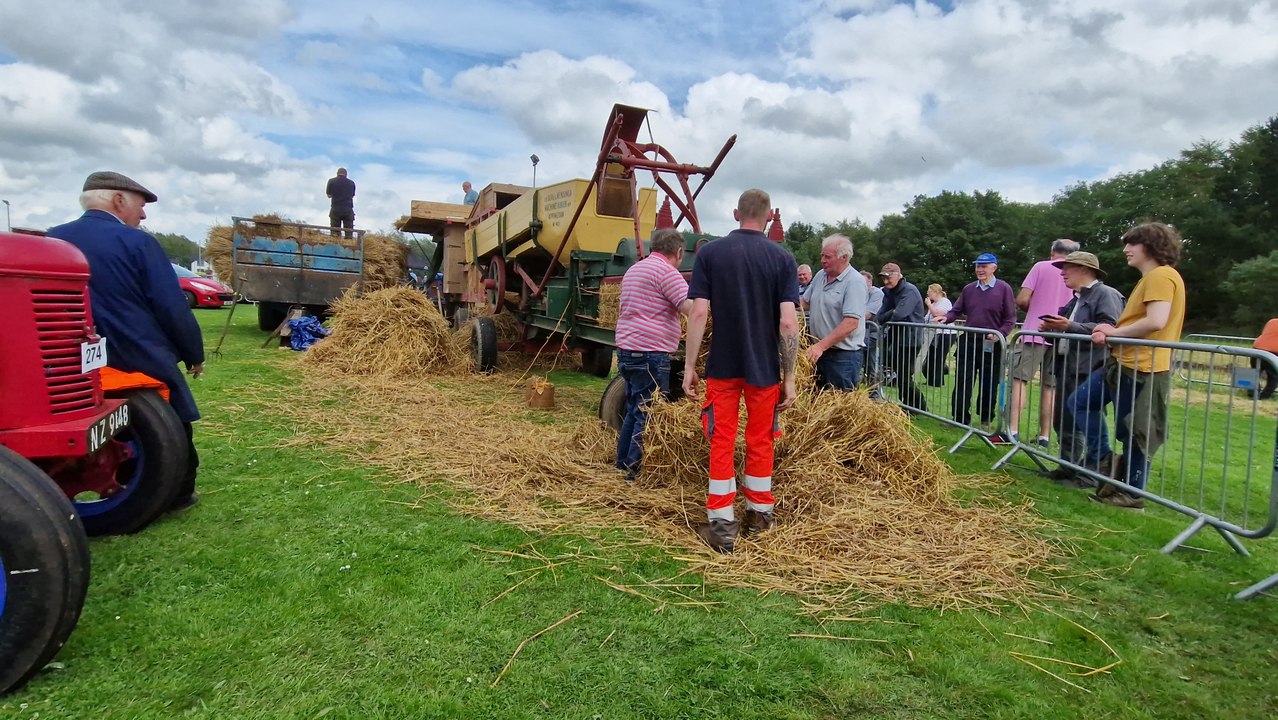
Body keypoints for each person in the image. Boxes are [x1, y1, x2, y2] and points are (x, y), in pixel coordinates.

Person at [47, 171, 204, 511]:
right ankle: (178, 493)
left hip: (67, 361)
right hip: (135, 352)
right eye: (141, 205)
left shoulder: (53, 241)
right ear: (118, 200)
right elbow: (170, 305)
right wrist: (193, 354)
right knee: (172, 416)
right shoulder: (137, 242)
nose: (144, 215)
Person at [683, 189, 800, 553]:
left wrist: (689, 365)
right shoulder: (782, 257)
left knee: (722, 439)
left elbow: (698, 312)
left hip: (723, 367)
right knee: (761, 439)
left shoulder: (710, 253)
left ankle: (721, 527)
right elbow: (788, 324)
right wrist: (790, 375)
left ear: (736, 214)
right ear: (767, 217)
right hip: (764, 370)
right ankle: (760, 516)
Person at [1067, 223, 1186, 510]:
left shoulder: (1160, 276)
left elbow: (1156, 321)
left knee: (1135, 432)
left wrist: (1111, 332)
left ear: (1151, 246)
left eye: (1132, 244)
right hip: (1123, 362)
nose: (1125, 250)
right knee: (1080, 402)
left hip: (1143, 367)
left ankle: (1132, 494)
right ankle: (1106, 461)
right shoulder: (1155, 277)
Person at [1038, 252, 1124, 487]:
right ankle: (1068, 469)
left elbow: (1110, 328)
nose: (1062, 272)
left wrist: (1069, 325)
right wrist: (1051, 328)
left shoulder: (1107, 294)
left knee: (1086, 423)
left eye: (1067, 267)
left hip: (1091, 368)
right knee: (1064, 420)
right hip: (1068, 365)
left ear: (1085, 270)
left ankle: (1090, 476)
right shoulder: (1076, 299)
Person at [614, 228, 693, 482]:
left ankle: (622, 463)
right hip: (651, 351)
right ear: (678, 251)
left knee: (634, 408)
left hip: (627, 348)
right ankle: (633, 472)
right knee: (648, 411)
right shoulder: (667, 272)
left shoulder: (635, 269)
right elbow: (689, 307)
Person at [1005, 239, 1079, 446]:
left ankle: (1013, 430)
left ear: (1052, 251)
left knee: (1020, 380)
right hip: (1062, 336)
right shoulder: (1077, 272)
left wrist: (1036, 307)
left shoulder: (1041, 267)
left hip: (1034, 332)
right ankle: (1045, 435)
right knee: (1050, 386)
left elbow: (1022, 299)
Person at [944, 252, 1016, 430]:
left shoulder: (1004, 288)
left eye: (984, 266)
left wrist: (999, 333)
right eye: (978, 266)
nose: (980, 270)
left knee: (989, 383)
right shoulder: (969, 289)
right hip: (968, 342)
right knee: (962, 381)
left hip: (992, 344)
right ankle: (960, 419)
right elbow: (956, 310)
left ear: (994, 268)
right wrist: (945, 318)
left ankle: (985, 420)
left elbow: (1010, 319)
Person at [801, 235, 867, 390]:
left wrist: (820, 346)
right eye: (822, 256)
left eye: (828, 257)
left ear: (844, 257)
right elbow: (804, 303)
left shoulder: (854, 282)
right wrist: (780, 305)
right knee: (816, 403)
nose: (823, 260)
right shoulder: (820, 275)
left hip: (842, 358)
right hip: (819, 352)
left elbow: (851, 322)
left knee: (839, 410)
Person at [876, 262, 928, 410]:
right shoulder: (888, 292)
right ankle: (913, 405)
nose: (886, 282)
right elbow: (879, 317)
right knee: (901, 376)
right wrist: (892, 311)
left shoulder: (909, 291)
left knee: (904, 377)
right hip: (897, 338)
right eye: (883, 278)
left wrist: (893, 312)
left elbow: (899, 314)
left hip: (910, 339)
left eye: (888, 278)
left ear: (898, 276)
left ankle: (915, 406)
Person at [922, 283, 956, 387]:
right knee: (931, 357)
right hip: (934, 334)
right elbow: (927, 318)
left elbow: (938, 314)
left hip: (945, 334)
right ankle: (931, 380)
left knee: (938, 357)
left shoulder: (945, 302)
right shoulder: (934, 304)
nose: (928, 293)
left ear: (936, 292)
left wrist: (929, 304)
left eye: (929, 291)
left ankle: (937, 382)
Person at [861, 270, 884, 391]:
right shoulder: (858, 294)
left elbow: (867, 314)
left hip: (873, 332)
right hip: (861, 332)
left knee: (871, 363)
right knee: (867, 361)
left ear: (870, 282)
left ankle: (874, 393)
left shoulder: (876, 293)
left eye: (862, 282)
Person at [1250, 318, 1278, 400]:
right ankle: (1264, 397)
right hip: (1273, 352)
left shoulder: (1272, 321)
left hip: (1257, 349)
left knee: (1254, 374)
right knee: (1274, 377)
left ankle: (1252, 394)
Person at [326, 167, 356, 238]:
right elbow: (352, 195)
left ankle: (335, 245)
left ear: (337, 173)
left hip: (335, 208)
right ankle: (348, 244)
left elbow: (329, 195)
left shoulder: (331, 181)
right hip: (348, 209)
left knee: (335, 233)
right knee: (349, 232)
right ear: (346, 174)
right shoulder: (351, 183)